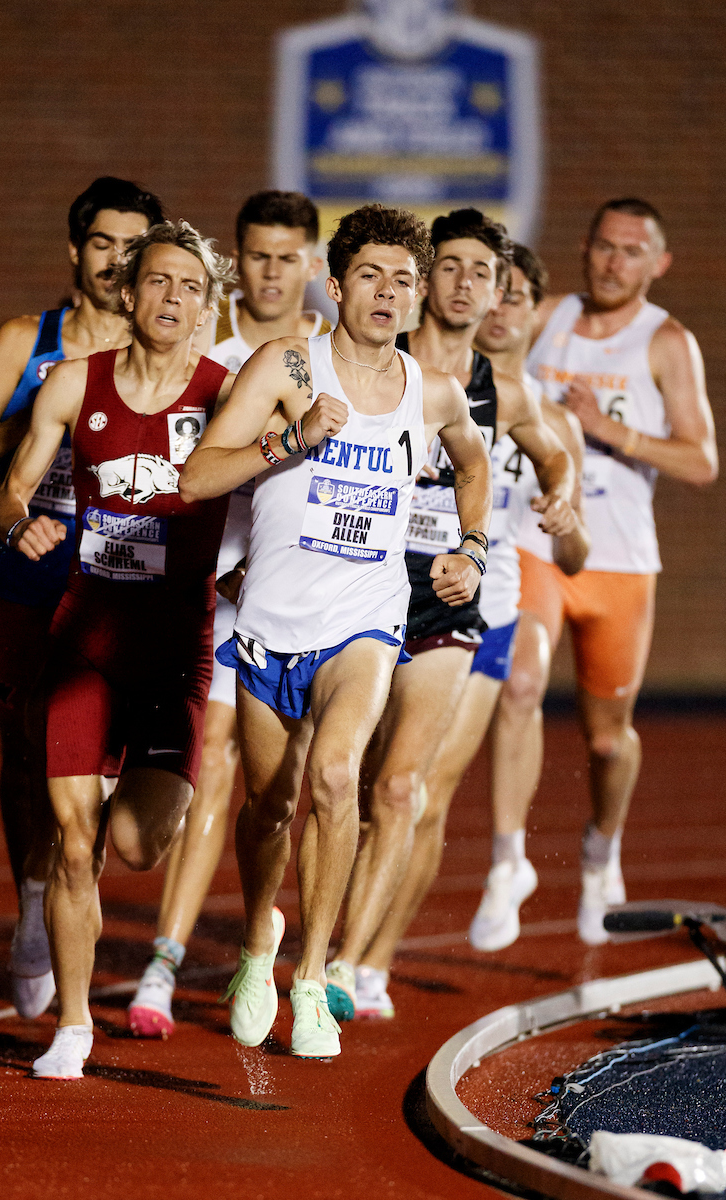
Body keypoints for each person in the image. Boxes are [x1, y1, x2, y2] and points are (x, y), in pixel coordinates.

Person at [181, 203, 492, 1059]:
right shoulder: (286, 363)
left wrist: (472, 544)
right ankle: (257, 947)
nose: (388, 294)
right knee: (268, 807)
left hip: (366, 617)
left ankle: (313, 977)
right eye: (371, 277)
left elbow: (473, 462)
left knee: (336, 774)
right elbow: (200, 473)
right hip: (270, 616)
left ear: (419, 294)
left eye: (404, 281)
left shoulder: (430, 392)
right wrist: (289, 439)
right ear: (335, 281)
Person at [0, 220, 236, 1079]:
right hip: (83, 638)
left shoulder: (224, 391)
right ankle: (73, 1024)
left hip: (173, 653)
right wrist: (20, 523)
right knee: (71, 841)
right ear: (128, 294)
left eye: (191, 287)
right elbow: (14, 486)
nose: (174, 299)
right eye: (159, 282)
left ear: (210, 306)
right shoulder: (74, 382)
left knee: (133, 845)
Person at [324, 212, 575, 1022]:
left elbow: (552, 449)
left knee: (414, 792)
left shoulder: (508, 390)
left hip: (470, 603)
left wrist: (562, 488)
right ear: (428, 279)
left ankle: (364, 961)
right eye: (453, 268)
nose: (468, 286)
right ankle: (327, 944)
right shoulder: (383, 364)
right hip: (367, 586)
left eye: (484, 273)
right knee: (350, 786)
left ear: (503, 288)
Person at [0, 178, 165, 1018]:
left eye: (134, 248)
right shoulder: (24, 339)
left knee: (98, 773)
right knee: (26, 751)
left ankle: (68, 888)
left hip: (123, 578)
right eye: (103, 244)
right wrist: (47, 406)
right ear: (76, 251)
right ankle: (35, 900)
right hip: (32, 569)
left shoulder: (162, 346)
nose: (118, 262)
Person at [128, 190, 329, 1038]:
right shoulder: (207, 360)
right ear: (235, 264)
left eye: (290, 257)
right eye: (258, 256)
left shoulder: (333, 360)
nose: (274, 272)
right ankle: (164, 965)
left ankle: (289, 948)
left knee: (293, 789)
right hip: (215, 593)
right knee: (212, 771)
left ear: (313, 265)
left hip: (305, 603)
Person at [514, 198, 717, 944]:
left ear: (658, 263)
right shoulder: (547, 317)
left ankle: (602, 844)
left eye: (633, 251)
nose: (613, 262)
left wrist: (610, 430)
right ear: (583, 247)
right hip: (536, 539)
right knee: (524, 683)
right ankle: (510, 855)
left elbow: (702, 459)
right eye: (604, 246)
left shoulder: (666, 343)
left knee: (606, 740)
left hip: (621, 558)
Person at [466, 244, 590, 952]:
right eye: (494, 290)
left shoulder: (551, 421)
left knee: (526, 678)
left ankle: (508, 859)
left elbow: (577, 555)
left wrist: (566, 521)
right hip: (425, 576)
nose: (503, 307)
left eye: (519, 295)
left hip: (515, 565)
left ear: (538, 312)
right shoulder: (433, 385)